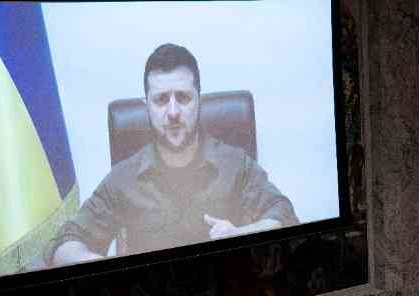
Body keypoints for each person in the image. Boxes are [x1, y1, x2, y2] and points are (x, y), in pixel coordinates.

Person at [47, 43, 297, 267]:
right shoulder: (123, 178)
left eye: (184, 97)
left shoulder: (235, 163)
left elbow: (284, 215)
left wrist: (246, 234)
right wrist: (98, 266)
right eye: (161, 99)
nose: (174, 111)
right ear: (147, 105)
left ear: (199, 100)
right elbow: (64, 242)